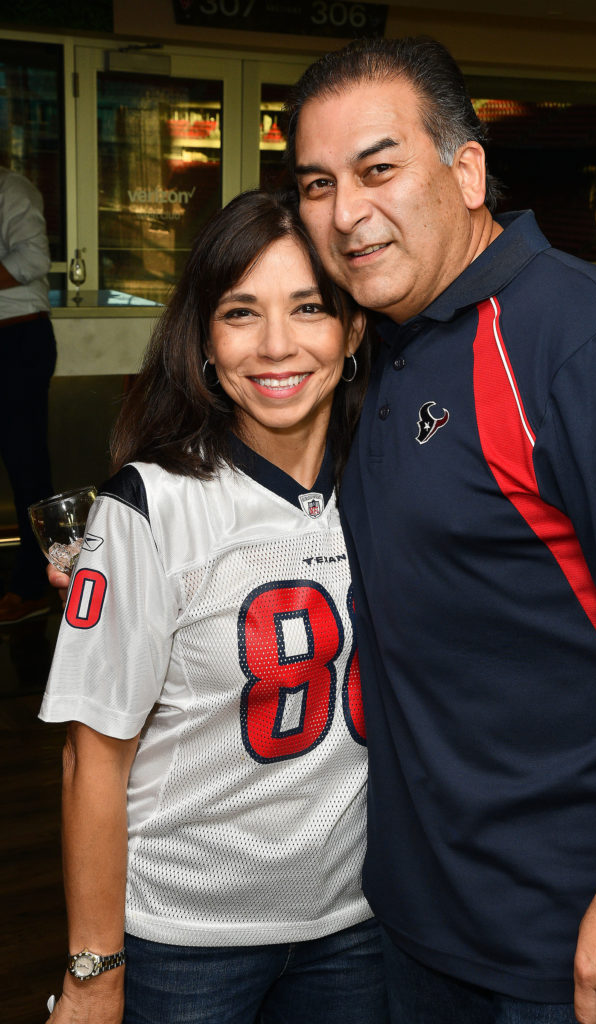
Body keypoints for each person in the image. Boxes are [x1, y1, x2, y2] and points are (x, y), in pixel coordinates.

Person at [283, 36, 596, 1024]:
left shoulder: (587, 341)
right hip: (419, 922)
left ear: (465, 169)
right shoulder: (386, 346)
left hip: (576, 944)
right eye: (315, 184)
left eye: (378, 168)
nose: (344, 212)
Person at [39, 190, 386, 1024]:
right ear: (204, 341)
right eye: (241, 313)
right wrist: (95, 972)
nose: (277, 345)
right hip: (186, 939)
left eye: (309, 307)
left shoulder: (392, 478)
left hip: (361, 924)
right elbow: (94, 763)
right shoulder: (149, 507)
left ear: (355, 329)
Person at [0, 164, 57, 623]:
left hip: (16, 341)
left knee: (26, 467)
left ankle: (35, 583)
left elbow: (34, 261)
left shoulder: (11, 188)